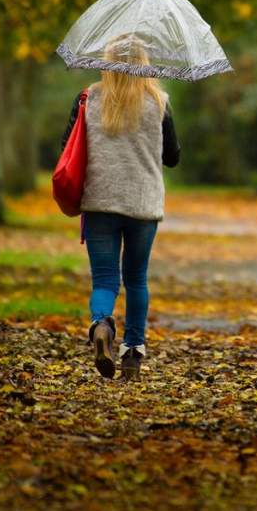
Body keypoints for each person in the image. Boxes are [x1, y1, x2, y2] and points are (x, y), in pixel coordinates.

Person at [59, 37, 180, 380]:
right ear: (144, 63)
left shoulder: (89, 98)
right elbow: (172, 157)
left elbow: (66, 145)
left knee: (105, 278)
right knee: (136, 279)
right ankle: (132, 355)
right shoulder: (159, 102)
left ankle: (101, 326)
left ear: (107, 62)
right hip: (142, 204)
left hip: (100, 201)